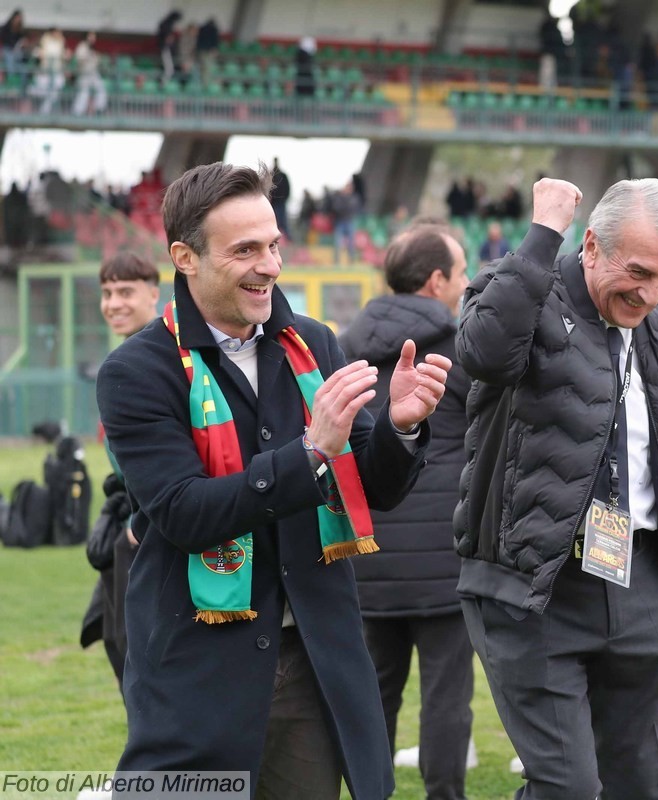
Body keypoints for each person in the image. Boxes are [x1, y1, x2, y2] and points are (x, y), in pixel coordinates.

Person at [95, 161, 451, 799]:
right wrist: (311, 449)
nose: (270, 266)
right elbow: (183, 513)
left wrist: (400, 427)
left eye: (273, 245)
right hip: (198, 671)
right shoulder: (137, 371)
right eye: (245, 250)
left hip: (314, 663)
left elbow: (372, 486)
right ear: (185, 257)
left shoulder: (314, 343)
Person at [455, 177, 658, 800]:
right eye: (637, 271)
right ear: (590, 245)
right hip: (535, 585)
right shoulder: (523, 294)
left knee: (640, 785)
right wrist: (541, 235)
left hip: (642, 586)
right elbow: (482, 354)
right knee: (568, 788)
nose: (650, 293)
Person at [340, 224, 474, 800]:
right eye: (461, 272)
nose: (465, 284)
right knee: (447, 695)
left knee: (374, 694)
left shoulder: (342, 346)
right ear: (436, 280)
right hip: (445, 554)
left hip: (365, 550)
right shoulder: (461, 349)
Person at [80, 252, 161, 687]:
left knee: (144, 670)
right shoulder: (127, 355)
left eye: (126, 291)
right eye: (107, 293)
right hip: (138, 528)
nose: (114, 303)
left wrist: (136, 528)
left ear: (155, 292)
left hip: (156, 538)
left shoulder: (161, 357)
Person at [71, 32, 107, 116]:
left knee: (101, 90)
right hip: (84, 73)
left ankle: (98, 109)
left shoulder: (91, 47)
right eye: (91, 37)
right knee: (83, 93)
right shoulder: (82, 46)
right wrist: (90, 57)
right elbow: (80, 60)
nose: (93, 39)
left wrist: (96, 57)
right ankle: (77, 113)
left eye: (94, 37)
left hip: (93, 73)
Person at [270, 158, 291, 240]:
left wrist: (284, 199)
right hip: (274, 203)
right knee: (276, 222)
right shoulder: (273, 175)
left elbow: (287, 189)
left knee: (282, 222)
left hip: (280, 202)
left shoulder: (281, 175)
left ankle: (288, 240)